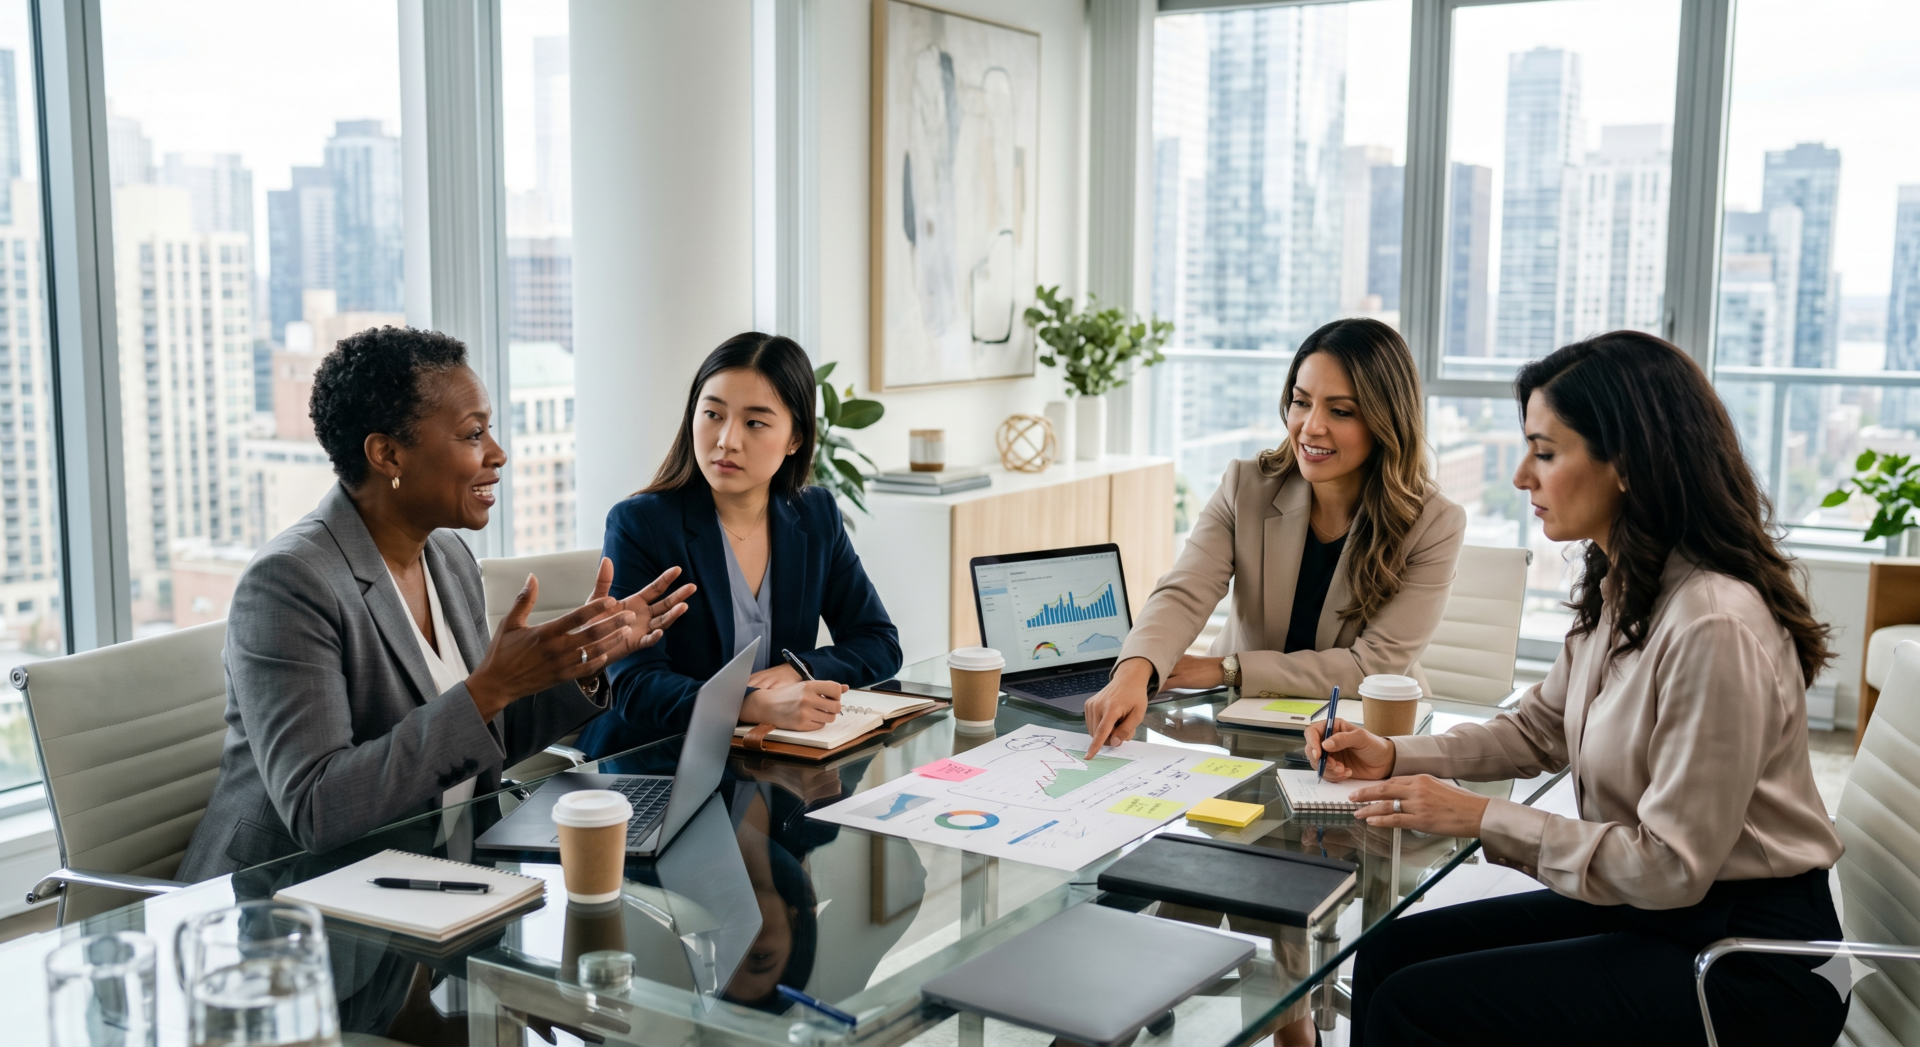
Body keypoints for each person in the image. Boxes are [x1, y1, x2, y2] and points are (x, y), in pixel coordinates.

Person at [1309, 331, 1847, 1047]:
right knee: (1385, 953)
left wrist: (1479, 817)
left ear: (1626, 462)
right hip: (1661, 913)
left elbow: (1670, 866)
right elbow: (1536, 730)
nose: (1521, 476)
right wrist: (1393, 753)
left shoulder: (1712, 623)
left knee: (1416, 1004)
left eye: (1546, 450)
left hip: (1748, 960)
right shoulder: (1626, 581)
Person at [178, 327, 695, 881]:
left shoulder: (447, 557)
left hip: (437, 878)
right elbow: (317, 807)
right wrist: (491, 687)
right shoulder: (290, 583)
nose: (498, 454)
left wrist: (585, 665)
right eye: (474, 435)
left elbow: (478, 739)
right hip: (295, 910)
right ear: (388, 454)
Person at [1084, 317, 1466, 755]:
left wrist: (1228, 669)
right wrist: (1135, 670)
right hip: (1238, 722)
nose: (1310, 426)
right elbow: (1185, 590)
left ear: (1386, 421)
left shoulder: (1433, 523)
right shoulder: (1247, 485)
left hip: (1362, 733)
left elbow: (1370, 667)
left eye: (1341, 411)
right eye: (1301, 402)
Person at [575, 332, 901, 756]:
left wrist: (797, 671)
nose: (727, 439)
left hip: (769, 757)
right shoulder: (642, 524)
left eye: (754, 422)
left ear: (795, 439)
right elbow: (637, 686)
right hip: (652, 760)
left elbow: (878, 641)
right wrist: (751, 703)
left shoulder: (815, 515)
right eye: (713, 414)